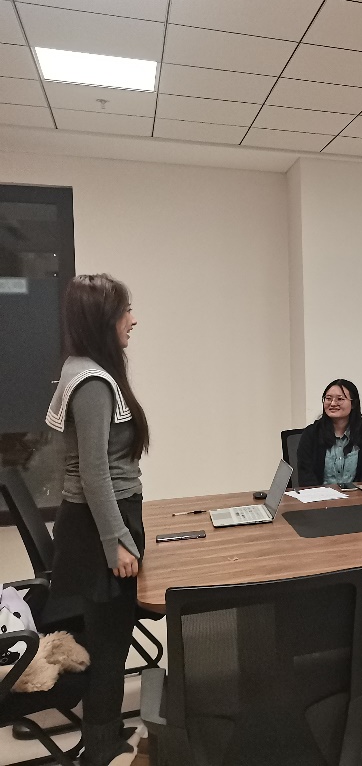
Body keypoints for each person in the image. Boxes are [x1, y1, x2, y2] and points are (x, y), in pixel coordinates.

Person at [46, 274, 148, 766]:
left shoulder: (81, 367)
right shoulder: (92, 382)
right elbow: (94, 473)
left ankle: (102, 732)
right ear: (103, 319)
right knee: (110, 643)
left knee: (107, 637)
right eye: (126, 311)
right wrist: (117, 541)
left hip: (95, 521)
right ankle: (101, 747)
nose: (133, 320)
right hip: (98, 525)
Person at [296, 379, 362, 486]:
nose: (333, 403)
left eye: (340, 399)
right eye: (328, 399)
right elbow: (306, 477)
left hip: (357, 495)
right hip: (319, 495)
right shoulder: (311, 434)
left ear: (353, 404)